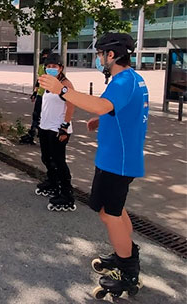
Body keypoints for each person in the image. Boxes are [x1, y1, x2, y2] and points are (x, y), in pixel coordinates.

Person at [39, 33, 148, 299]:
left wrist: (63, 90)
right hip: (117, 157)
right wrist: (102, 121)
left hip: (117, 161)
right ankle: (125, 253)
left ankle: (128, 270)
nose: (99, 59)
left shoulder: (122, 81)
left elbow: (102, 105)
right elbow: (120, 110)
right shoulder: (133, 79)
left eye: (100, 54)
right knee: (111, 210)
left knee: (109, 214)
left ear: (111, 55)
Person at [35, 53, 76, 212]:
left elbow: (71, 104)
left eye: (55, 66)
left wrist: (65, 126)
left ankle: (67, 193)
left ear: (61, 68)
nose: (51, 69)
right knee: (46, 158)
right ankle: (52, 182)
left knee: (59, 162)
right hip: (45, 126)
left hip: (58, 129)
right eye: (49, 66)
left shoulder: (66, 85)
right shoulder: (48, 83)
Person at [20, 48, 52, 145]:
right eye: (44, 56)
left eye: (47, 57)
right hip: (41, 95)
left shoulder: (52, 69)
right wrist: (34, 93)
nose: (45, 59)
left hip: (49, 97)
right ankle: (32, 134)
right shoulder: (41, 67)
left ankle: (44, 136)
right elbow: (38, 81)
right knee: (36, 116)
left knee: (46, 117)